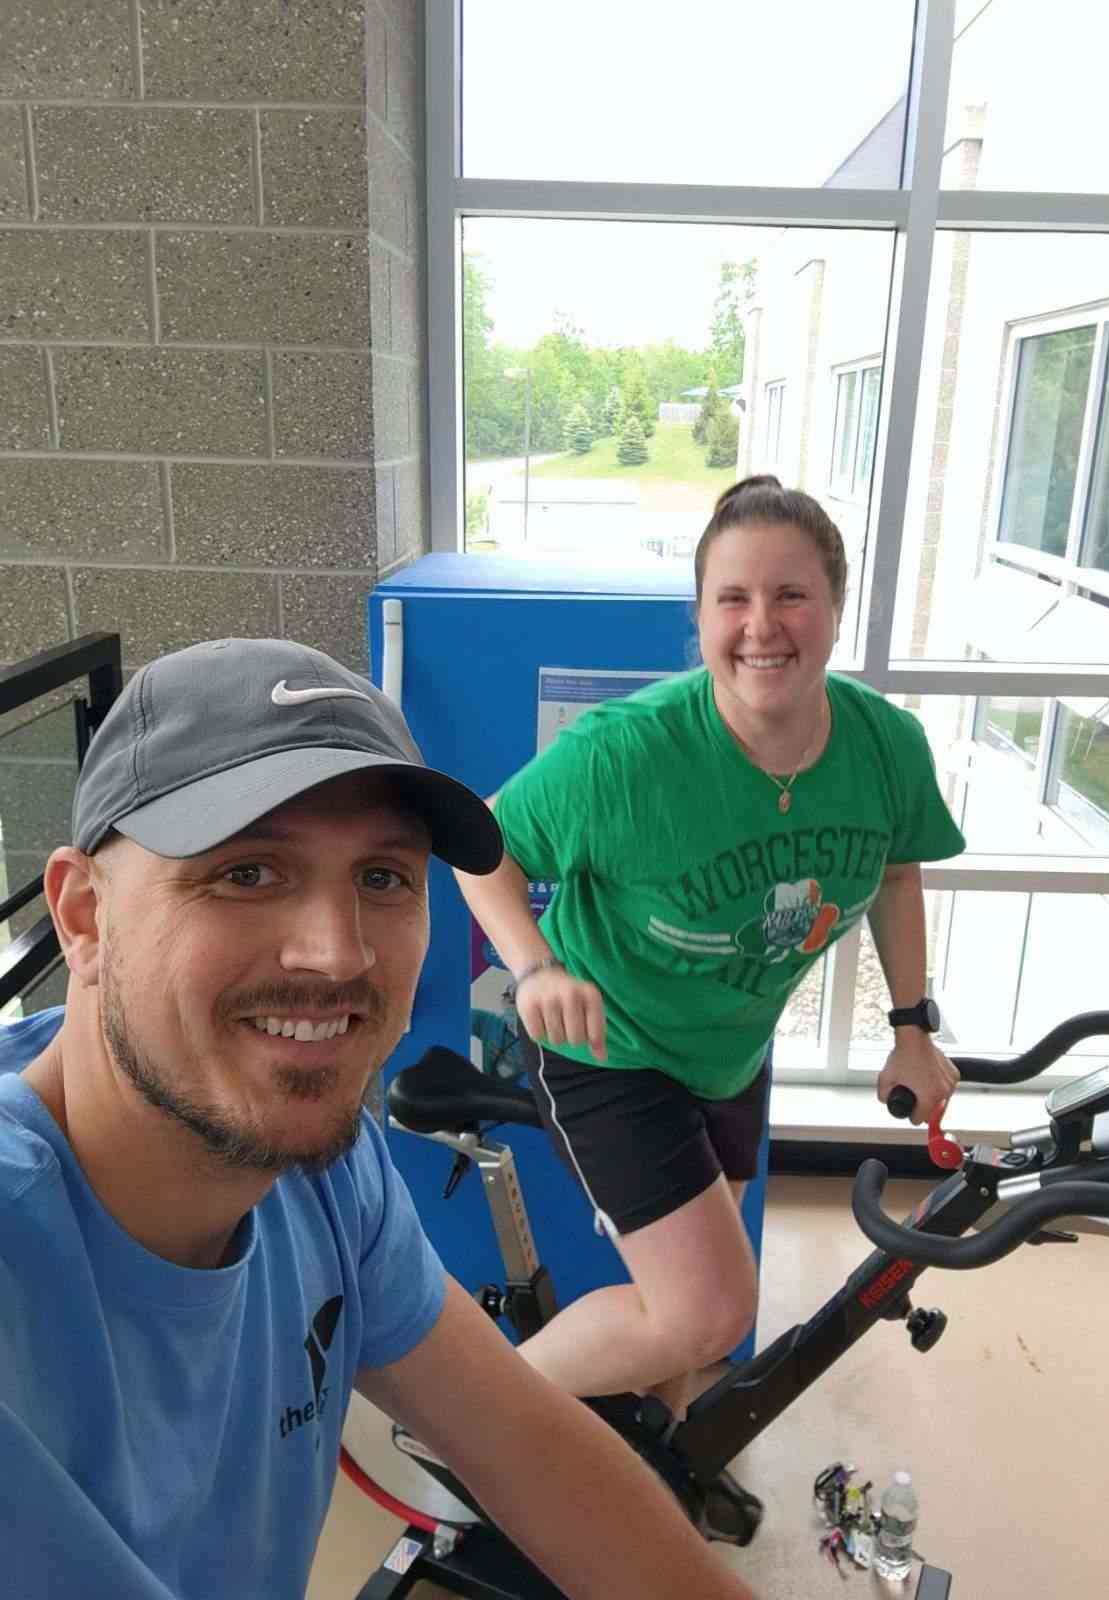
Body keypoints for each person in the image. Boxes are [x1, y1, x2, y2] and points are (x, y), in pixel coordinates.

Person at [0, 637, 759, 1600]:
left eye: (382, 879)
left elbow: (528, 1446)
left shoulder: (324, 1172)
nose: (337, 954)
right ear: (83, 915)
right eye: (247, 872)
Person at [454, 475, 966, 1428]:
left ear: (834, 608)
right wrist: (533, 966)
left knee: (686, 1318)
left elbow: (896, 871)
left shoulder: (886, 749)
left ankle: (658, 1459)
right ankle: (471, 1423)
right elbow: (480, 843)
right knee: (712, 1310)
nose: (761, 625)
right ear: (700, 616)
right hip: (610, 1046)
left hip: (730, 1050)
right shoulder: (628, 755)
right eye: (733, 598)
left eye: (791, 594)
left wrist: (909, 1026)